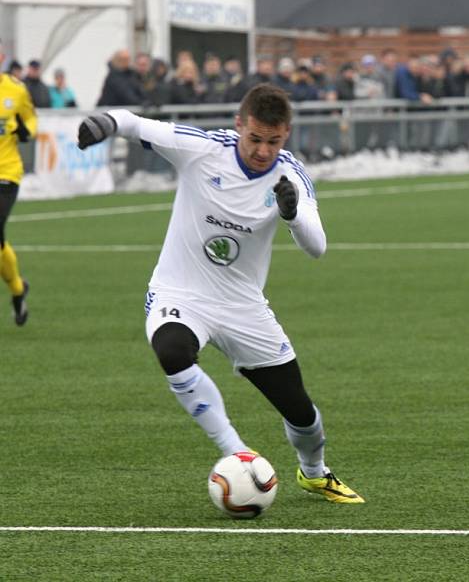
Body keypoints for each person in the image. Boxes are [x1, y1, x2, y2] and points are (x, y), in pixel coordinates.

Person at [76, 83, 364, 504]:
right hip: (181, 292)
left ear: (286, 135)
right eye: (255, 138)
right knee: (173, 351)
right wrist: (103, 123)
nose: (263, 150)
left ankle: (315, 472)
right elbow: (135, 123)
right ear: (239, 125)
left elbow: (316, 246)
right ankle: (238, 455)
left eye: (274, 141)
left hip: (243, 306)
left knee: (301, 413)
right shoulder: (202, 148)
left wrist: (291, 214)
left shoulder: (292, 175)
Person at [0, 39, 36, 325]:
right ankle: (17, 289)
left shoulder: (15, 90)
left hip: (6, 172)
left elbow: (30, 122)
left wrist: (24, 130)